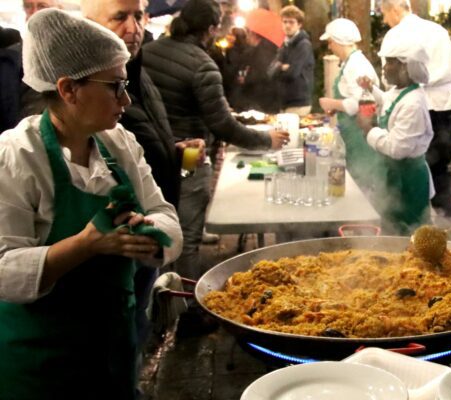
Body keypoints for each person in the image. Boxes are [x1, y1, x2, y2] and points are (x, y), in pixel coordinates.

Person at [0, 9, 182, 398]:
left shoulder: (119, 144)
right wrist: (87, 244)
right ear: (68, 90)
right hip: (40, 368)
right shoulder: (16, 157)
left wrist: (149, 236)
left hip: (113, 352)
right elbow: (5, 274)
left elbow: (164, 215)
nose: (127, 98)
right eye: (115, 86)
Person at [80, 0, 205, 354]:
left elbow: (142, 141)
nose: (134, 27)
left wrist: (174, 150)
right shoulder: (79, 88)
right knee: (107, 344)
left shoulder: (137, 70)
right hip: (109, 249)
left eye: (139, 15)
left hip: (148, 233)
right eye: (120, 17)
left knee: (134, 333)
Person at [143, 0, 288, 281]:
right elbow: (222, 125)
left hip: (150, 156)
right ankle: (189, 309)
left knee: (154, 230)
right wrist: (266, 140)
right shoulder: (202, 65)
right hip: (189, 160)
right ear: (210, 29)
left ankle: (157, 301)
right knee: (186, 237)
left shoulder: (148, 52)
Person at [380, 0, 451, 217]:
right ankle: (445, 233)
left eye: (384, 14)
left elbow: (390, 81)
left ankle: (415, 232)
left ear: (394, 8)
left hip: (414, 108)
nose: (384, 20)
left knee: (410, 177)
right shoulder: (438, 31)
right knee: (441, 176)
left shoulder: (395, 36)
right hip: (443, 109)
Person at [354, 37, 434, 235]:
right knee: (390, 230)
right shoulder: (401, 91)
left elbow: (397, 148)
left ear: (405, 68)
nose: (384, 68)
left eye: (390, 62)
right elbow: (388, 103)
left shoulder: (414, 104)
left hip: (409, 180)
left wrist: (368, 129)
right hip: (394, 176)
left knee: (409, 235)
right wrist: (370, 89)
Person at [317, 18, 383, 192]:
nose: (329, 46)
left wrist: (331, 103)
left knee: (363, 185)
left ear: (340, 41)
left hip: (360, 135)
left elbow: (359, 104)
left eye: (330, 42)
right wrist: (336, 107)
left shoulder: (357, 65)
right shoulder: (349, 63)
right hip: (351, 134)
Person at [229, 8, 283, 114]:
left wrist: (246, 79)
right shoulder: (259, 50)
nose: (247, 36)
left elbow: (262, 74)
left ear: (254, 35)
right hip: (262, 101)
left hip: (262, 103)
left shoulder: (263, 52)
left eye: (249, 32)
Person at [269, 5, 314, 116]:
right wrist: (281, 67)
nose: (287, 25)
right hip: (284, 102)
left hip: (298, 102)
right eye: (285, 22)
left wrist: (279, 68)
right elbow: (270, 71)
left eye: (291, 22)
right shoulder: (284, 45)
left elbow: (293, 73)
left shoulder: (303, 45)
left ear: (299, 24)